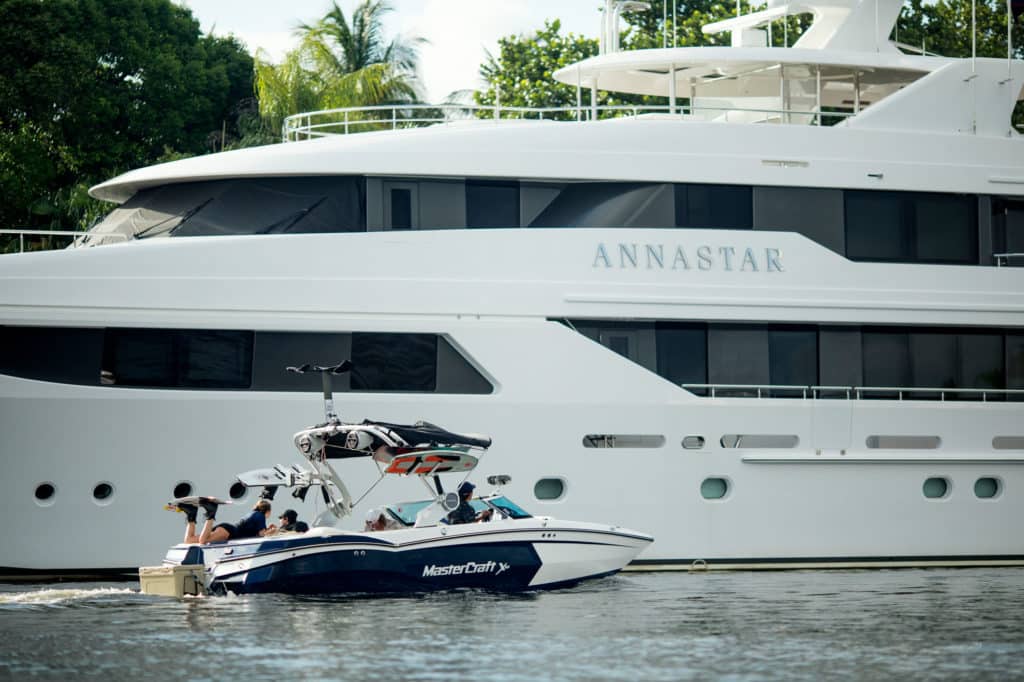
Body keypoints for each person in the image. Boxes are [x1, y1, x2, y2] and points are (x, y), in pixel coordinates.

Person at [174, 498, 277, 544]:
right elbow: (262, 535)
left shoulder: (253, 513)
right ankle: (211, 512)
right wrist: (272, 531)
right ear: (267, 511)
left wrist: (268, 529)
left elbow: (256, 532)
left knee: (189, 540)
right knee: (202, 541)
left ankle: (191, 515)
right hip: (229, 532)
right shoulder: (260, 516)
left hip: (226, 529)